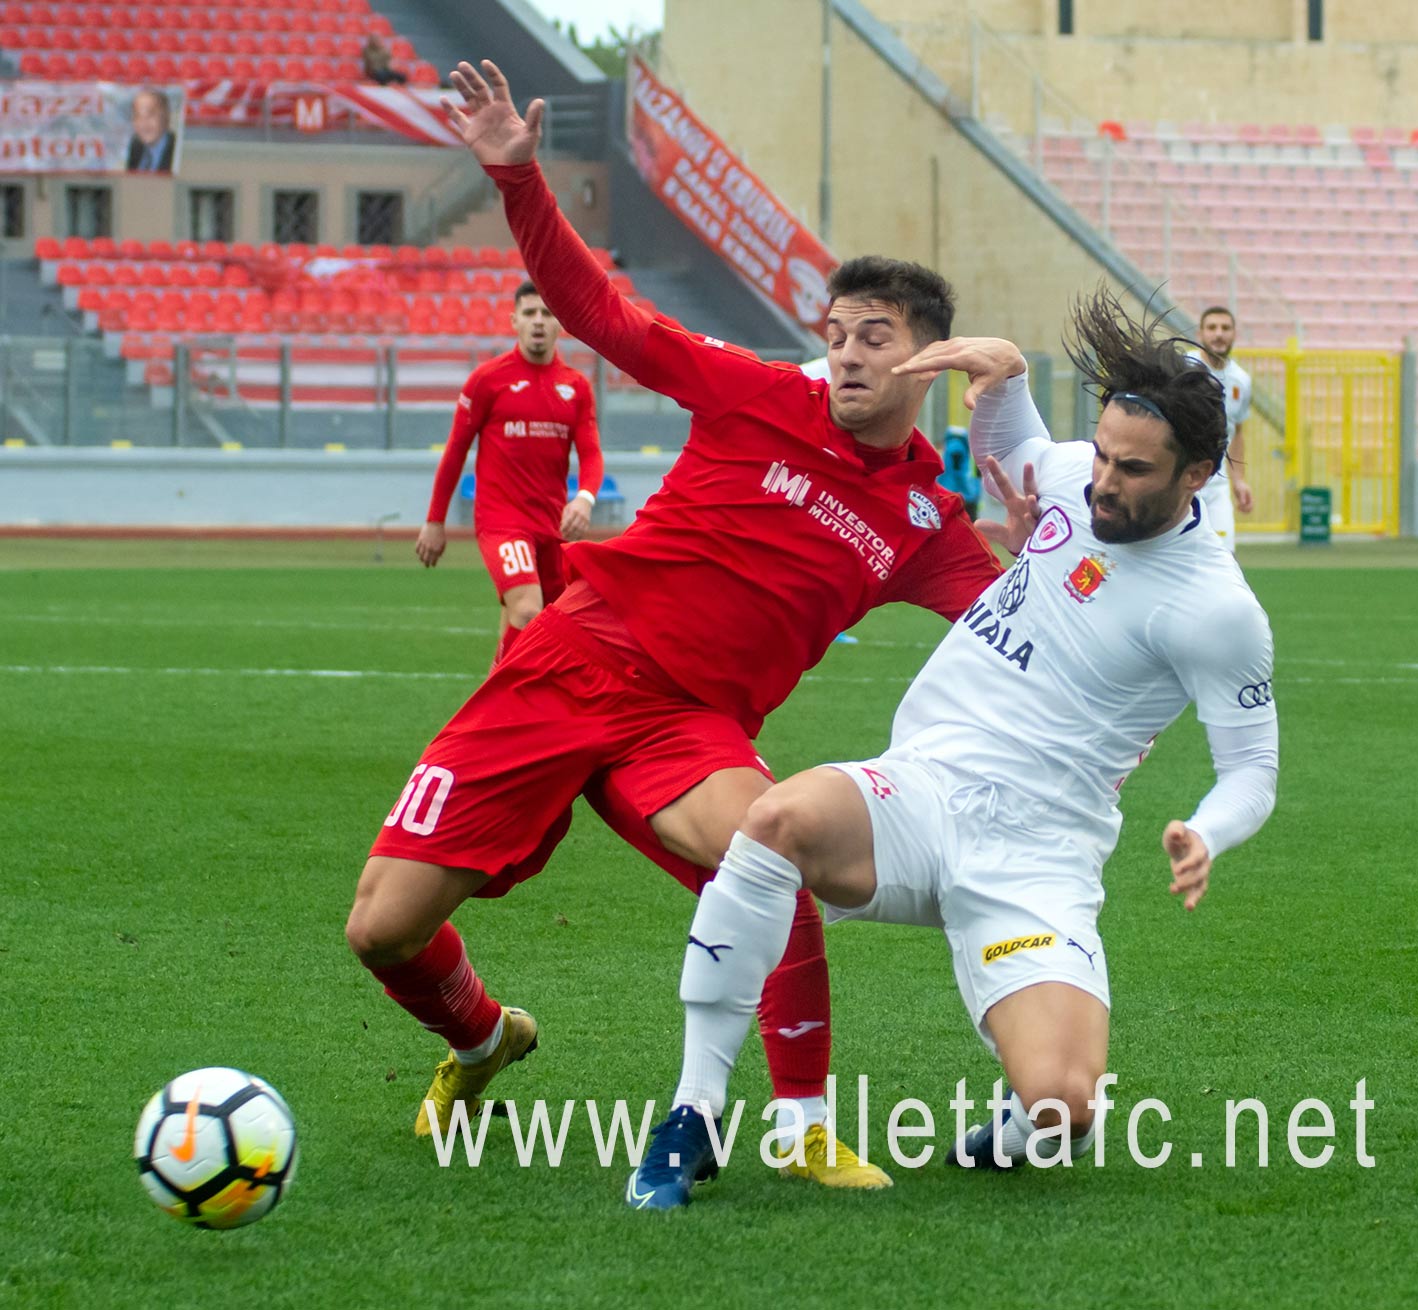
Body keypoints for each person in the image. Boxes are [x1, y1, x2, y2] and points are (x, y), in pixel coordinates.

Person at [343, 59, 1016, 1188]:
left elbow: (1023, 622)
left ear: (930, 358)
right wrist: (516, 174)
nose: (849, 351)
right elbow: (604, 310)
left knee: (776, 851)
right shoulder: (754, 391)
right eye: (840, 330)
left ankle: (801, 1126)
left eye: (878, 335)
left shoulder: (923, 518)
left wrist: (1045, 478)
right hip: (566, 660)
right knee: (382, 928)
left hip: (685, 725)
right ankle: (481, 1036)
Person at [628, 289, 1281, 1210]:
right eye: (1100, 453)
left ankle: (1014, 1135)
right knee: (773, 822)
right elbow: (1015, 444)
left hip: (1040, 856)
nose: (1101, 482)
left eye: (1133, 471)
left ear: (1199, 475)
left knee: (1064, 1102)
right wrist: (1006, 373)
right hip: (924, 791)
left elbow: (1253, 770)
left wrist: (1209, 833)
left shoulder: (1218, 611)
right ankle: (694, 1115)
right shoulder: (1069, 478)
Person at [416, 281, 601, 667]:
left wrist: (583, 498)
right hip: (502, 522)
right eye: (530, 313)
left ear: (559, 324)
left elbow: (591, 455)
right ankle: (500, 708)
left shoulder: (576, 387)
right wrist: (435, 520)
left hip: (552, 527)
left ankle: (494, 707)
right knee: (528, 609)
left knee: (546, 625)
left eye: (547, 314)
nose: (538, 322)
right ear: (514, 320)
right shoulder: (488, 380)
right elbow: (454, 453)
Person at [1191, 306, 1253, 552]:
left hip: (1216, 483)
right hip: (1178, 480)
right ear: (1200, 334)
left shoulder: (1241, 380)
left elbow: (1237, 432)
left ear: (1234, 334)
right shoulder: (1183, 368)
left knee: (1223, 555)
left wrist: (1239, 480)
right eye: (1212, 328)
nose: (1219, 334)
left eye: (1225, 328)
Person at [125, 90, 175, 173]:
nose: (144, 123)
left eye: (150, 115)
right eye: (137, 116)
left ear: (166, 116)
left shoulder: (176, 150)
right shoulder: (134, 148)